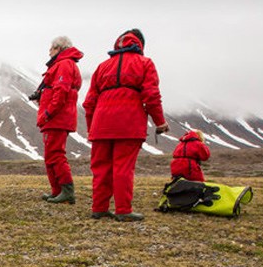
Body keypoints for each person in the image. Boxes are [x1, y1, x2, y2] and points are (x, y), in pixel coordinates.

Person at [82, 28, 170, 221]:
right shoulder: (145, 63)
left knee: (101, 168)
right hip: (129, 123)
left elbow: (89, 103)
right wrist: (160, 122)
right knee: (123, 167)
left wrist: (92, 128)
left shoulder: (102, 67)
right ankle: (123, 210)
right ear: (140, 44)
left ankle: (99, 208)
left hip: (101, 124)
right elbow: (151, 96)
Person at [34, 36, 84, 204]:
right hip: (55, 118)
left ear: (58, 49)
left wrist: (48, 113)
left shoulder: (64, 65)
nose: (49, 51)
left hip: (56, 118)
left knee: (55, 154)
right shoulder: (63, 65)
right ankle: (57, 191)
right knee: (51, 155)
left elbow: (61, 92)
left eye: (51, 48)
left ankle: (67, 191)